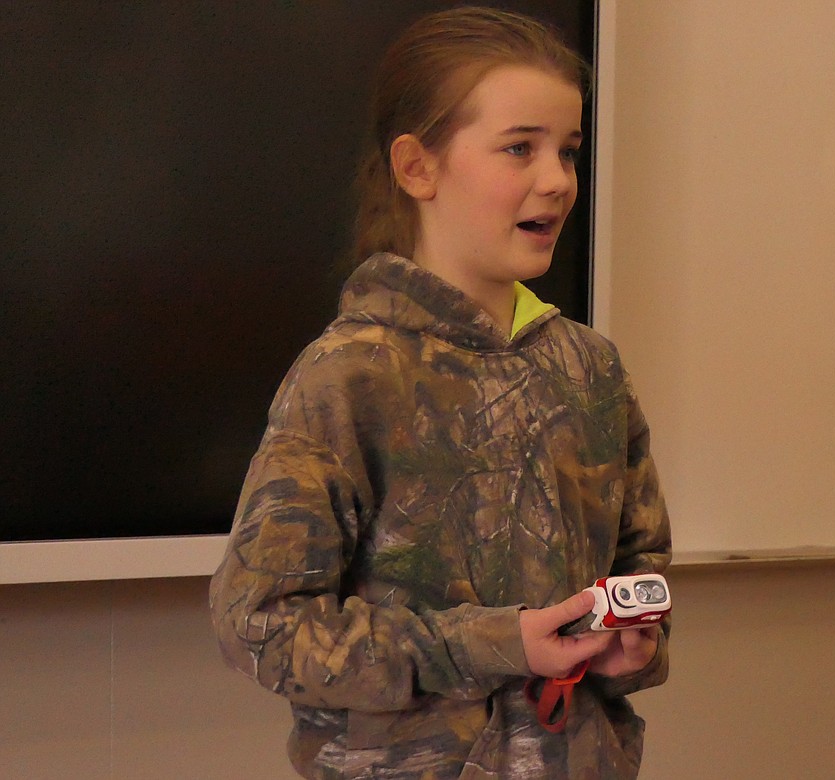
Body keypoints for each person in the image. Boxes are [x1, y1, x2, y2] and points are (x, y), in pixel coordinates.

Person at [208, 6, 671, 779]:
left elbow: (641, 568)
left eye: (568, 150)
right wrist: (491, 645)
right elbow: (259, 622)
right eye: (519, 148)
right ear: (417, 167)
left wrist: (629, 646)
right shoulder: (349, 377)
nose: (557, 180)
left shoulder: (593, 371)